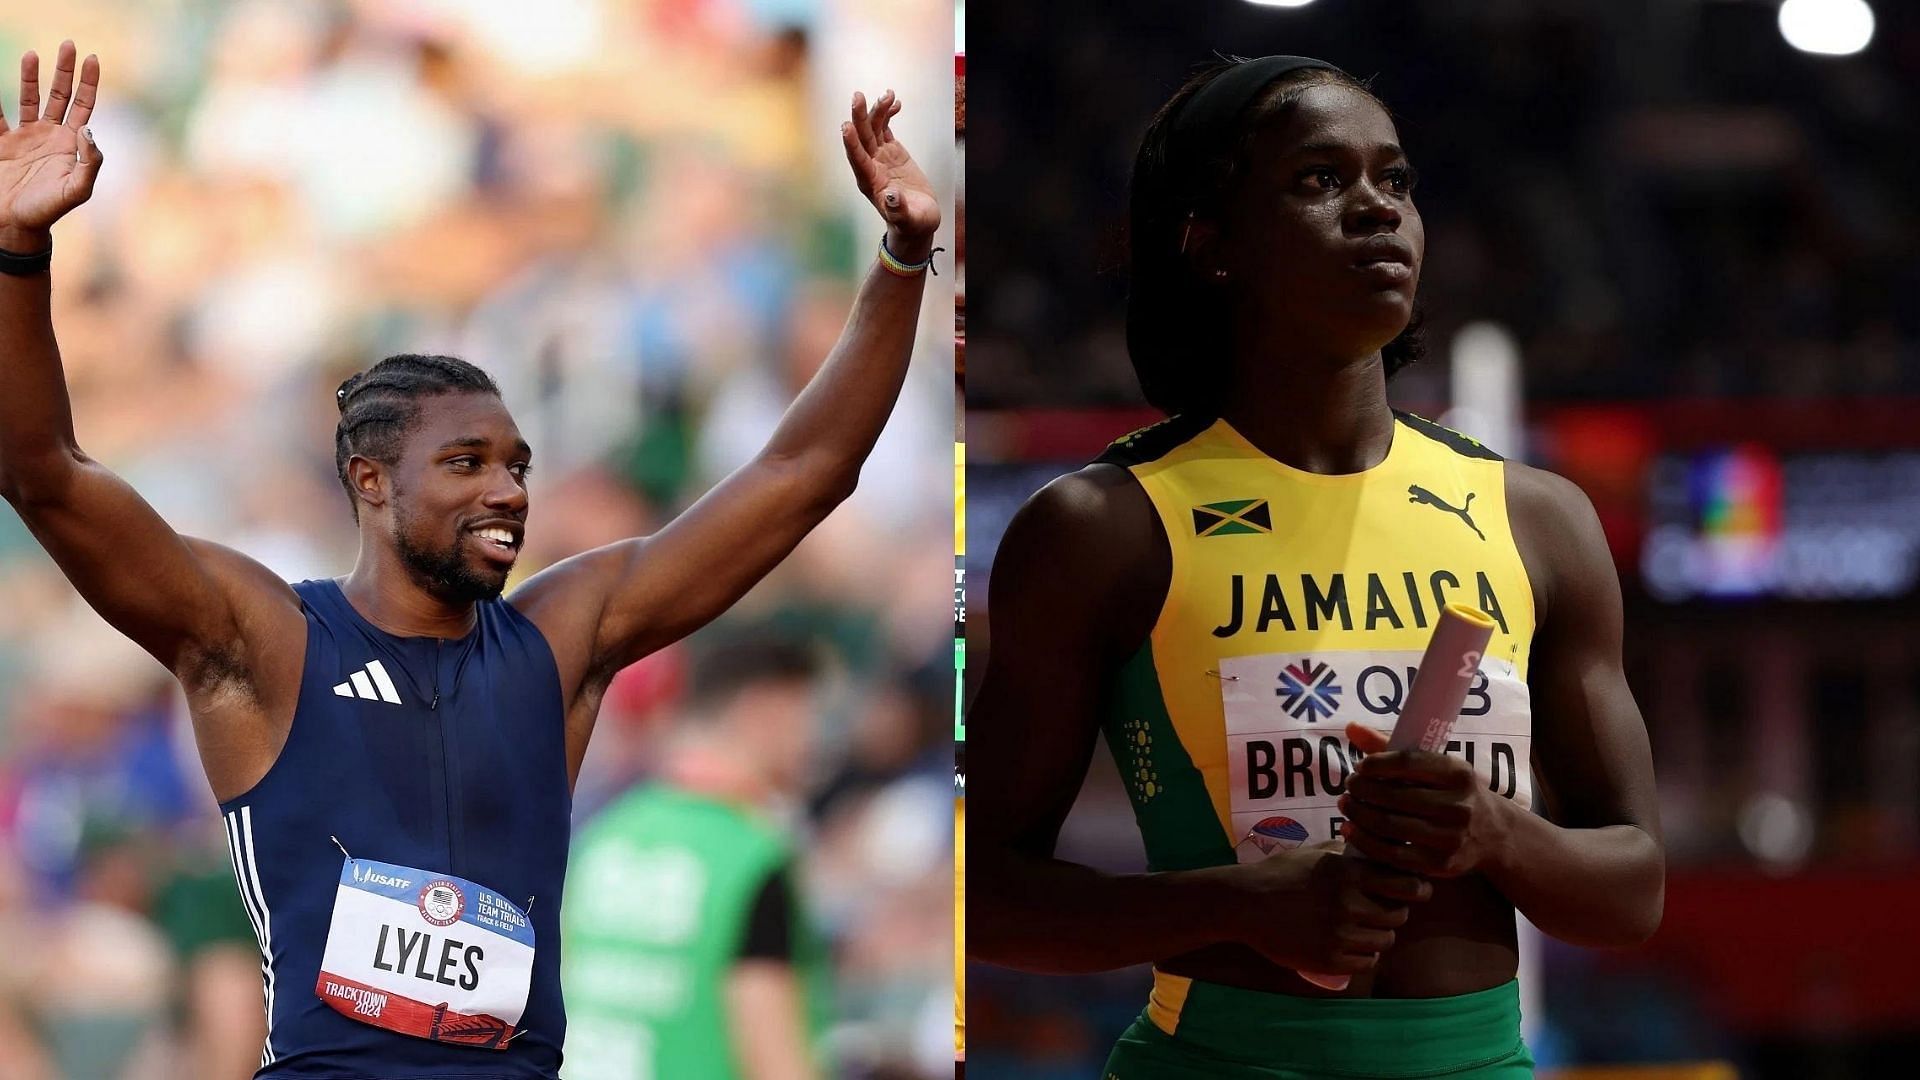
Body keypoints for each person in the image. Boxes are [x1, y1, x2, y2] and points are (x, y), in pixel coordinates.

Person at [0, 40, 939, 1078]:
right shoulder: (258, 640)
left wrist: (900, 262)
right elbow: (43, 470)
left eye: (517, 465)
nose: (508, 491)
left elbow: (804, 471)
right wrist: (15, 253)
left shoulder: (562, 638)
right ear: (370, 481)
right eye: (465, 463)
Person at [967, 56, 1663, 1079]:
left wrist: (1498, 835)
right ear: (1213, 246)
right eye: (1319, 180)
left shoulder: (1537, 519)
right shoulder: (1101, 528)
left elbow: (1633, 888)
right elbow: (981, 895)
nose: (1378, 209)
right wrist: (1229, 905)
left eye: (1397, 180)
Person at [561, 633, 834, 1080]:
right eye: (811, 716)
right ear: (763, 712)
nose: (818, 740)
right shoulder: (750, 857)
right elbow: (777, 1060)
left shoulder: (607, 833)